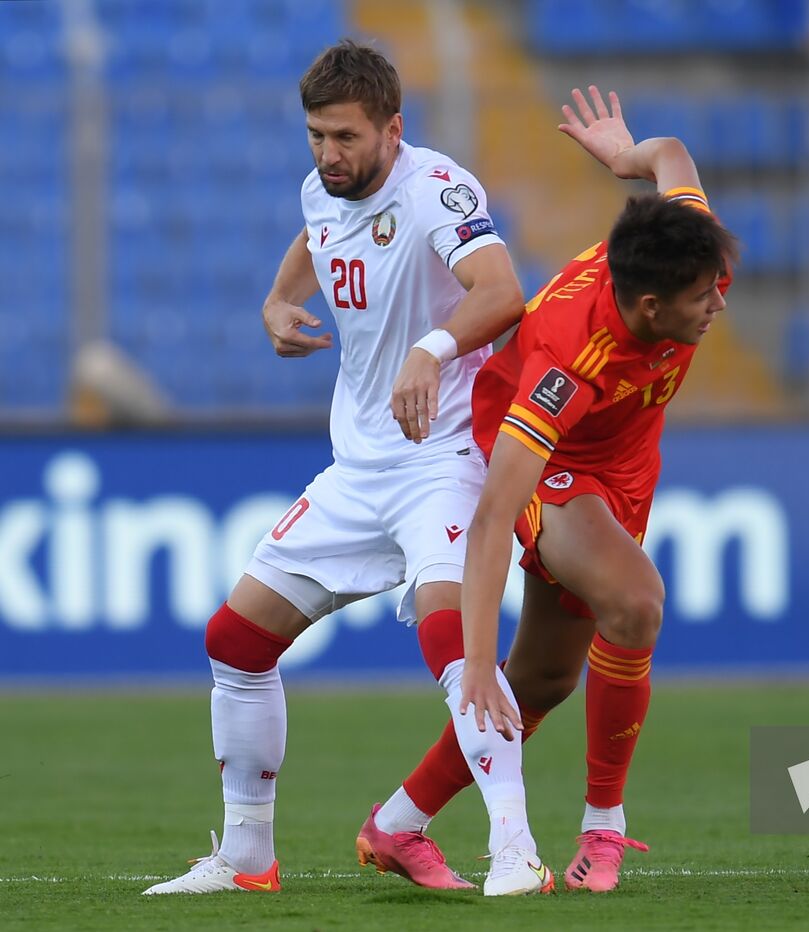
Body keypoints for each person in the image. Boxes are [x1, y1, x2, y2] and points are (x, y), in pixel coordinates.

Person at [144, 40, 552, 897]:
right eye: (316, 137)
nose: (329, 155)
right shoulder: (321, 188)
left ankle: (515, 851)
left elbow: (502, 291)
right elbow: (315, 233)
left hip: (442, 458)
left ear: (392, 130)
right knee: (237, 640)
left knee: (455, 639)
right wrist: (278, 299)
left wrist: (432, 351)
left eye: (345, 138)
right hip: (358, 468)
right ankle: (248, 859)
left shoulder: (438, 188)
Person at [376, 86, 735, 895]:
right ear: (649, 307)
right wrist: (473, 660)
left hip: (625, 468)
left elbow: (672, 156)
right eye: (702, 299)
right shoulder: (571, 362)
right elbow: (497, 509)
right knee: (636, 602)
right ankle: (602, 831)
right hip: (551, 463)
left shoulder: (688, 252)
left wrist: (625, 156)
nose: (719, 304)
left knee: (540, 682)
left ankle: (395, 824)